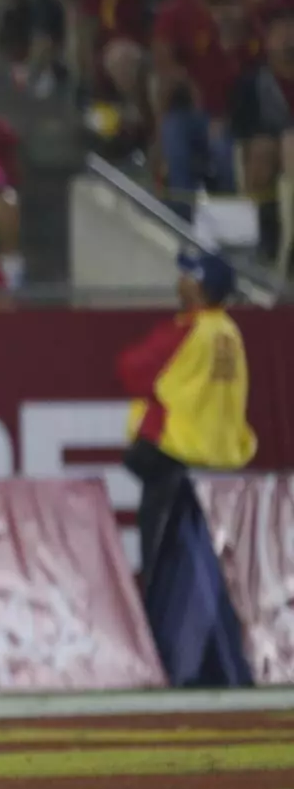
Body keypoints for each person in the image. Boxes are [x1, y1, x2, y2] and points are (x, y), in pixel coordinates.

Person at [116, 248, 257, 583]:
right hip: (220, 463)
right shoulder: (230, 332)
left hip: (176, 455)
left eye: (188, 276)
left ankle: (161, 632)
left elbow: (130, 370)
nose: (179, 281)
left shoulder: (189, 330)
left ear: (202, 289)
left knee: (164, 566)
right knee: (217, 568)